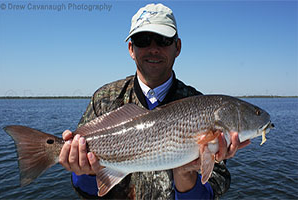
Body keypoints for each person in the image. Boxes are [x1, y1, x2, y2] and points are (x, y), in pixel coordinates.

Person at [59, 3, 250, 199]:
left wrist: (186, 175)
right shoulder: (104, 99)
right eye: (143, 40)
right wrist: (86, 171)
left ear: (178, 47)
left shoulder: (201, 107)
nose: (153, 49)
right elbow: (86, 190)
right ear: (131, 49)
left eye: (163, 40)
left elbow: (212, 190)